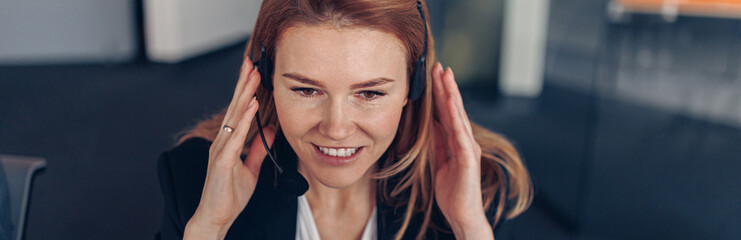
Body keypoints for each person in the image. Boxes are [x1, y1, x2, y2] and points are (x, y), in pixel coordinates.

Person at [155, 0, 532, 239]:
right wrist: (210, 229)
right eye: (306, 90)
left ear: (412, 87)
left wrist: (468, 229)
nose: (336, 128)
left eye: (370, 93)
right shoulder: (195, 181)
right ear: (266, 78)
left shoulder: (480, 189)